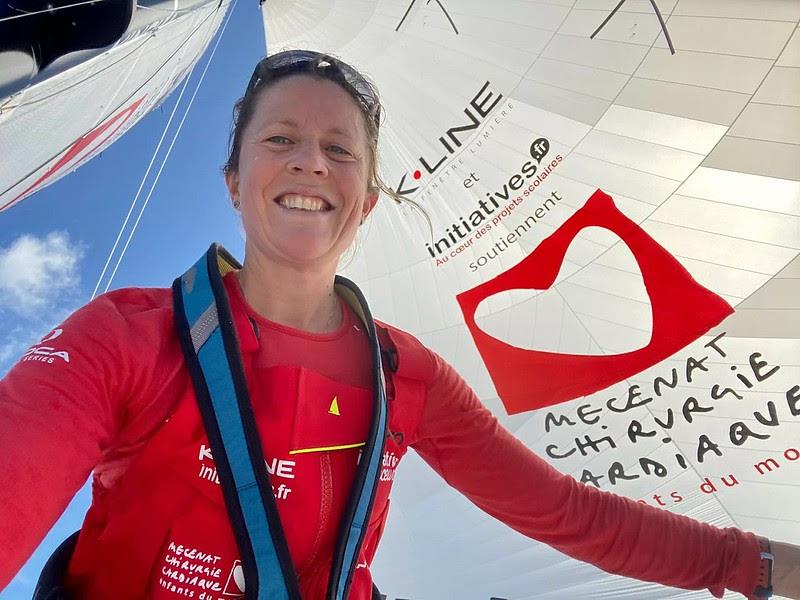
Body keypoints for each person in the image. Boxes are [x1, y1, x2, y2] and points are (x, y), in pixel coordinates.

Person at [1, 50, 798, 600]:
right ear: (234, 182)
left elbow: (562, 510)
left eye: (339, 149)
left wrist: (760, 564)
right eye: (280, 140)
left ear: (368, 204)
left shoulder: (406, 375)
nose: (312, 161)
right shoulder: (127, 337)